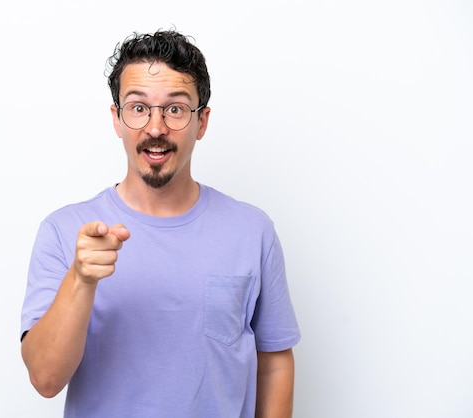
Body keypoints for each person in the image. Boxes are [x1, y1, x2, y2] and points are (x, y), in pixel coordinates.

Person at [20, 29, 301, 418]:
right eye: (138, 108)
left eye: (175, 109)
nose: (155, 128)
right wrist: (80, 280)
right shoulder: (64, 231)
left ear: (201, 122)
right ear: (117, 119)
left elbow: (274, 360)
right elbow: (45, 380)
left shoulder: (253, 231)